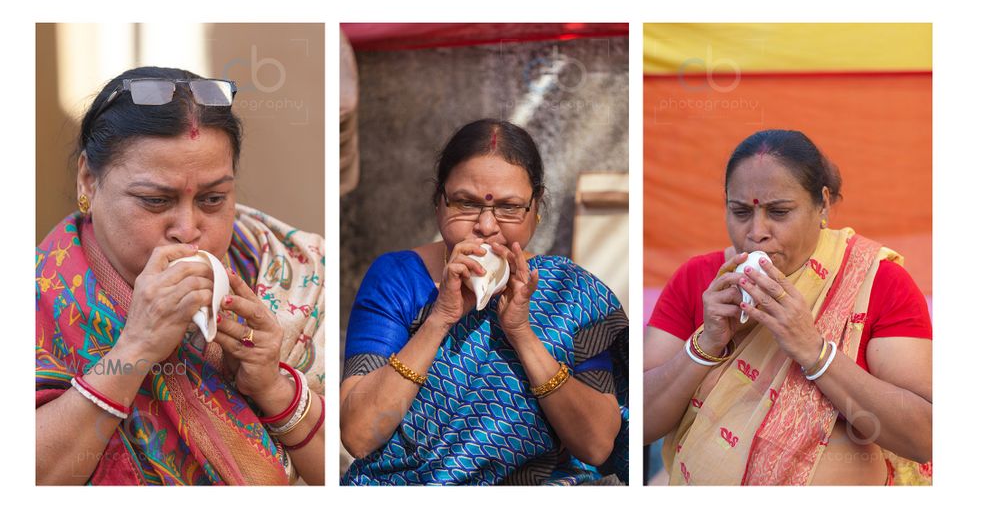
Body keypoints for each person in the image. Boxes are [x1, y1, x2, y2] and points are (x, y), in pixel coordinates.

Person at [36, 67, 326, 485]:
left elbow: (344, 475)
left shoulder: (297, 271)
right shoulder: (36, 296)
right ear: (89, 180)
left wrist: (273, 387)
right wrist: (135, 348)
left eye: (212, 199)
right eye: (155, 200)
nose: (187, 229)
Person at [340, 119, 628, 485]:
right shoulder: (399, 280)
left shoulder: (569, 293)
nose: (487, 226)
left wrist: (522, 333)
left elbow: (597, 445)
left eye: (509, 207)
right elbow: (359, 435)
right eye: (466, 203)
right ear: (438, 203)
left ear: (535, 209)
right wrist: (440, 318)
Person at [643, 129, 932, 485]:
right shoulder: (700, 280)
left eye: (779, 212)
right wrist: (706, 345)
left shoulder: (878, 282)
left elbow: (925, 436)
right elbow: (638, 423)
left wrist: (814, 351)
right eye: (740, 212)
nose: (757, 231)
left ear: (822, 204)